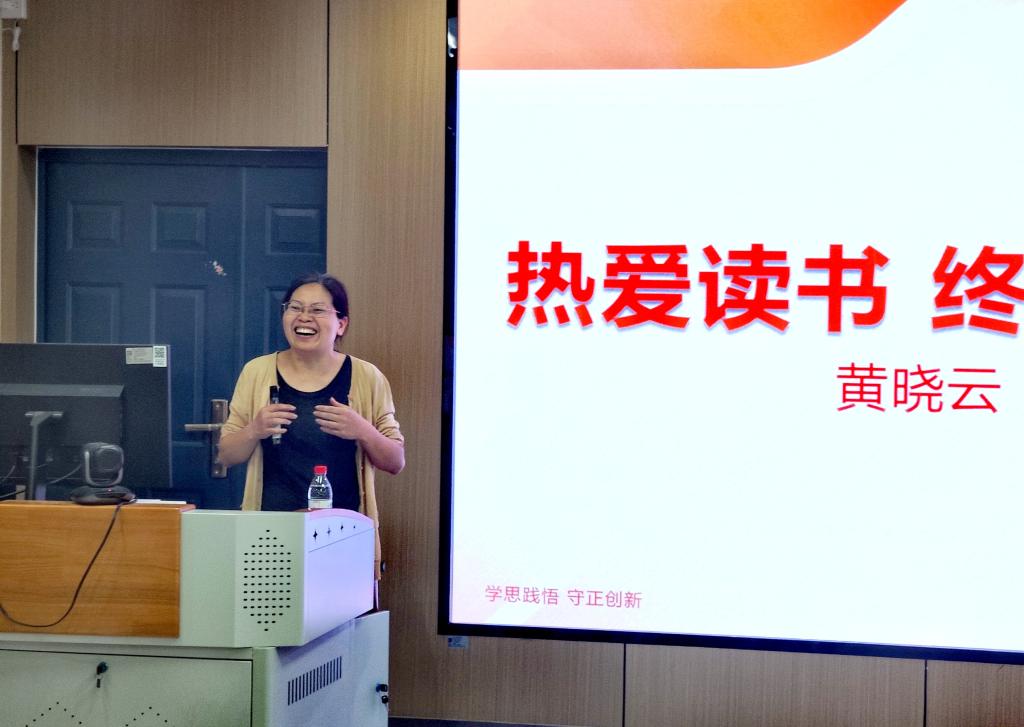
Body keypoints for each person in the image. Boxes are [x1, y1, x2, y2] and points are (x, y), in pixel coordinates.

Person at [218, 272, 404, 577]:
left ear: (341, 324)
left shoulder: (367, 377)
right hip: (271, 534)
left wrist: (363, 430)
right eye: (295, 307)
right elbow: (227, 454)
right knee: (273, 608)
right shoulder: (256, 372)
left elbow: (395, 461)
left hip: (344, 534)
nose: (304, 317)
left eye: (317, 310)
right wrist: (255, 429)